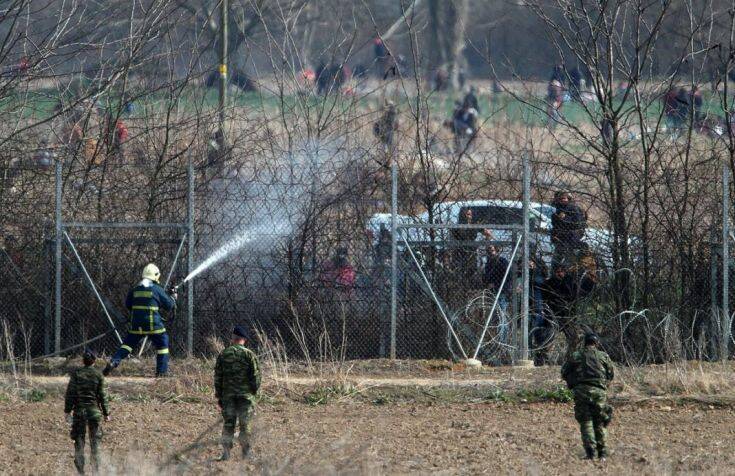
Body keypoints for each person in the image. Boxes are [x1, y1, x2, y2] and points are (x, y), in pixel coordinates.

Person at [104, 264, 176, 377]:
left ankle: (114, 361)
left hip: (136, 325)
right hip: (153, 325)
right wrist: (173, 296)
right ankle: (161, 373)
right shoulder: (157, 289)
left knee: (127, 344)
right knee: (162, 345)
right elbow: (169, 305)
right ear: (156, 276)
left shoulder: (136, 288)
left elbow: (128, 304)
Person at [561, 332, 614, 460]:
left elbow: (564, 372)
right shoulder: (603, 356)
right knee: (599, 422)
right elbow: (610, 375)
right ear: (596, 343)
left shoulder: (576, 355)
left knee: (586, 421)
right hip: (599, 392)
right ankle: (603, 453)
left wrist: (572, 381)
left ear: (584, 342)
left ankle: (590, 452)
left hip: (581, 391)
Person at [215, 325, 261, 461]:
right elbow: (256, 377)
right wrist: (253, 392)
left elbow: (218, 377)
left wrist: (219, 395)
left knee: (228, 423)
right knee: (245, 424)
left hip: (228, 396)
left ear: (233, 338)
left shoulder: (224, 354)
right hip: (245, 396)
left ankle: (226, 453)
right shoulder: (249, 355)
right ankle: (246, 453)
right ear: (244, 340)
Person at [64, 349, 110, 474]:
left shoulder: (76, 374)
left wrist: (67, 411)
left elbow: (70, 394)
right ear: (94, 361)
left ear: (83, 360)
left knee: (79, 442)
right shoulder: (98, 375)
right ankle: (96, 471)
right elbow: (102, 396)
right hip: (94, 412)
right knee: (95, 443)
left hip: (79, 413)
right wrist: (106, 413)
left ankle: (80, 472)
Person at [539, 264, 596, 358]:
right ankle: (543, 357)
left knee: (574, 338)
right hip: (553, 316)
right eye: (558, 272)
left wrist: (591, 282)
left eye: (562, 272)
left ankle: (571, 357)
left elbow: (581, 293)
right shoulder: (548, 284)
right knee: (549, 338)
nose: (560, 274)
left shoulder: (569, 283)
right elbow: (546, 298)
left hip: (568, 316)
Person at [483, 245, 512, 341]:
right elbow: (486, 278)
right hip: (492, 293)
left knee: (501, 317)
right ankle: (498, 341)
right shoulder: (488, 263)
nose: (490, 252)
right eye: (488, 250)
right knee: (495, 318)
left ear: (497, 250)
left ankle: (502, 341)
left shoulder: (502, 262)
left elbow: (508, 278)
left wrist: (495, 285)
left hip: (502, 292)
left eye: (492, 250)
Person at [551, 191, 587, 264]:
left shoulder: (574, 208)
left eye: (564, 198)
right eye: (560, 198)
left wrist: (565, 218)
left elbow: (578, 224)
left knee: (568, 259)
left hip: (571, 238)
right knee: (557, 259)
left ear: (568, 198)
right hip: (560, 239)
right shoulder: (558, 208)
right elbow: (555, 224)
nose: (562, 200)